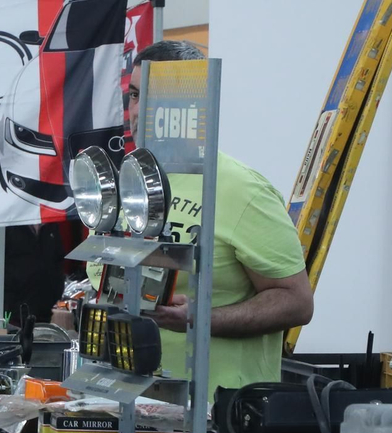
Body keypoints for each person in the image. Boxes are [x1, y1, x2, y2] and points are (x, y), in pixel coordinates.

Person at [108, 40, 314, 395]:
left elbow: (296, 302)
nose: (139, 110)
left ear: (190, 104)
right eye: (136, 95)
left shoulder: (241, 189)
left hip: (218, 409)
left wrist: (199, 318)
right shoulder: (127, 182)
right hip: (129, 399)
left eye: (155, 97)